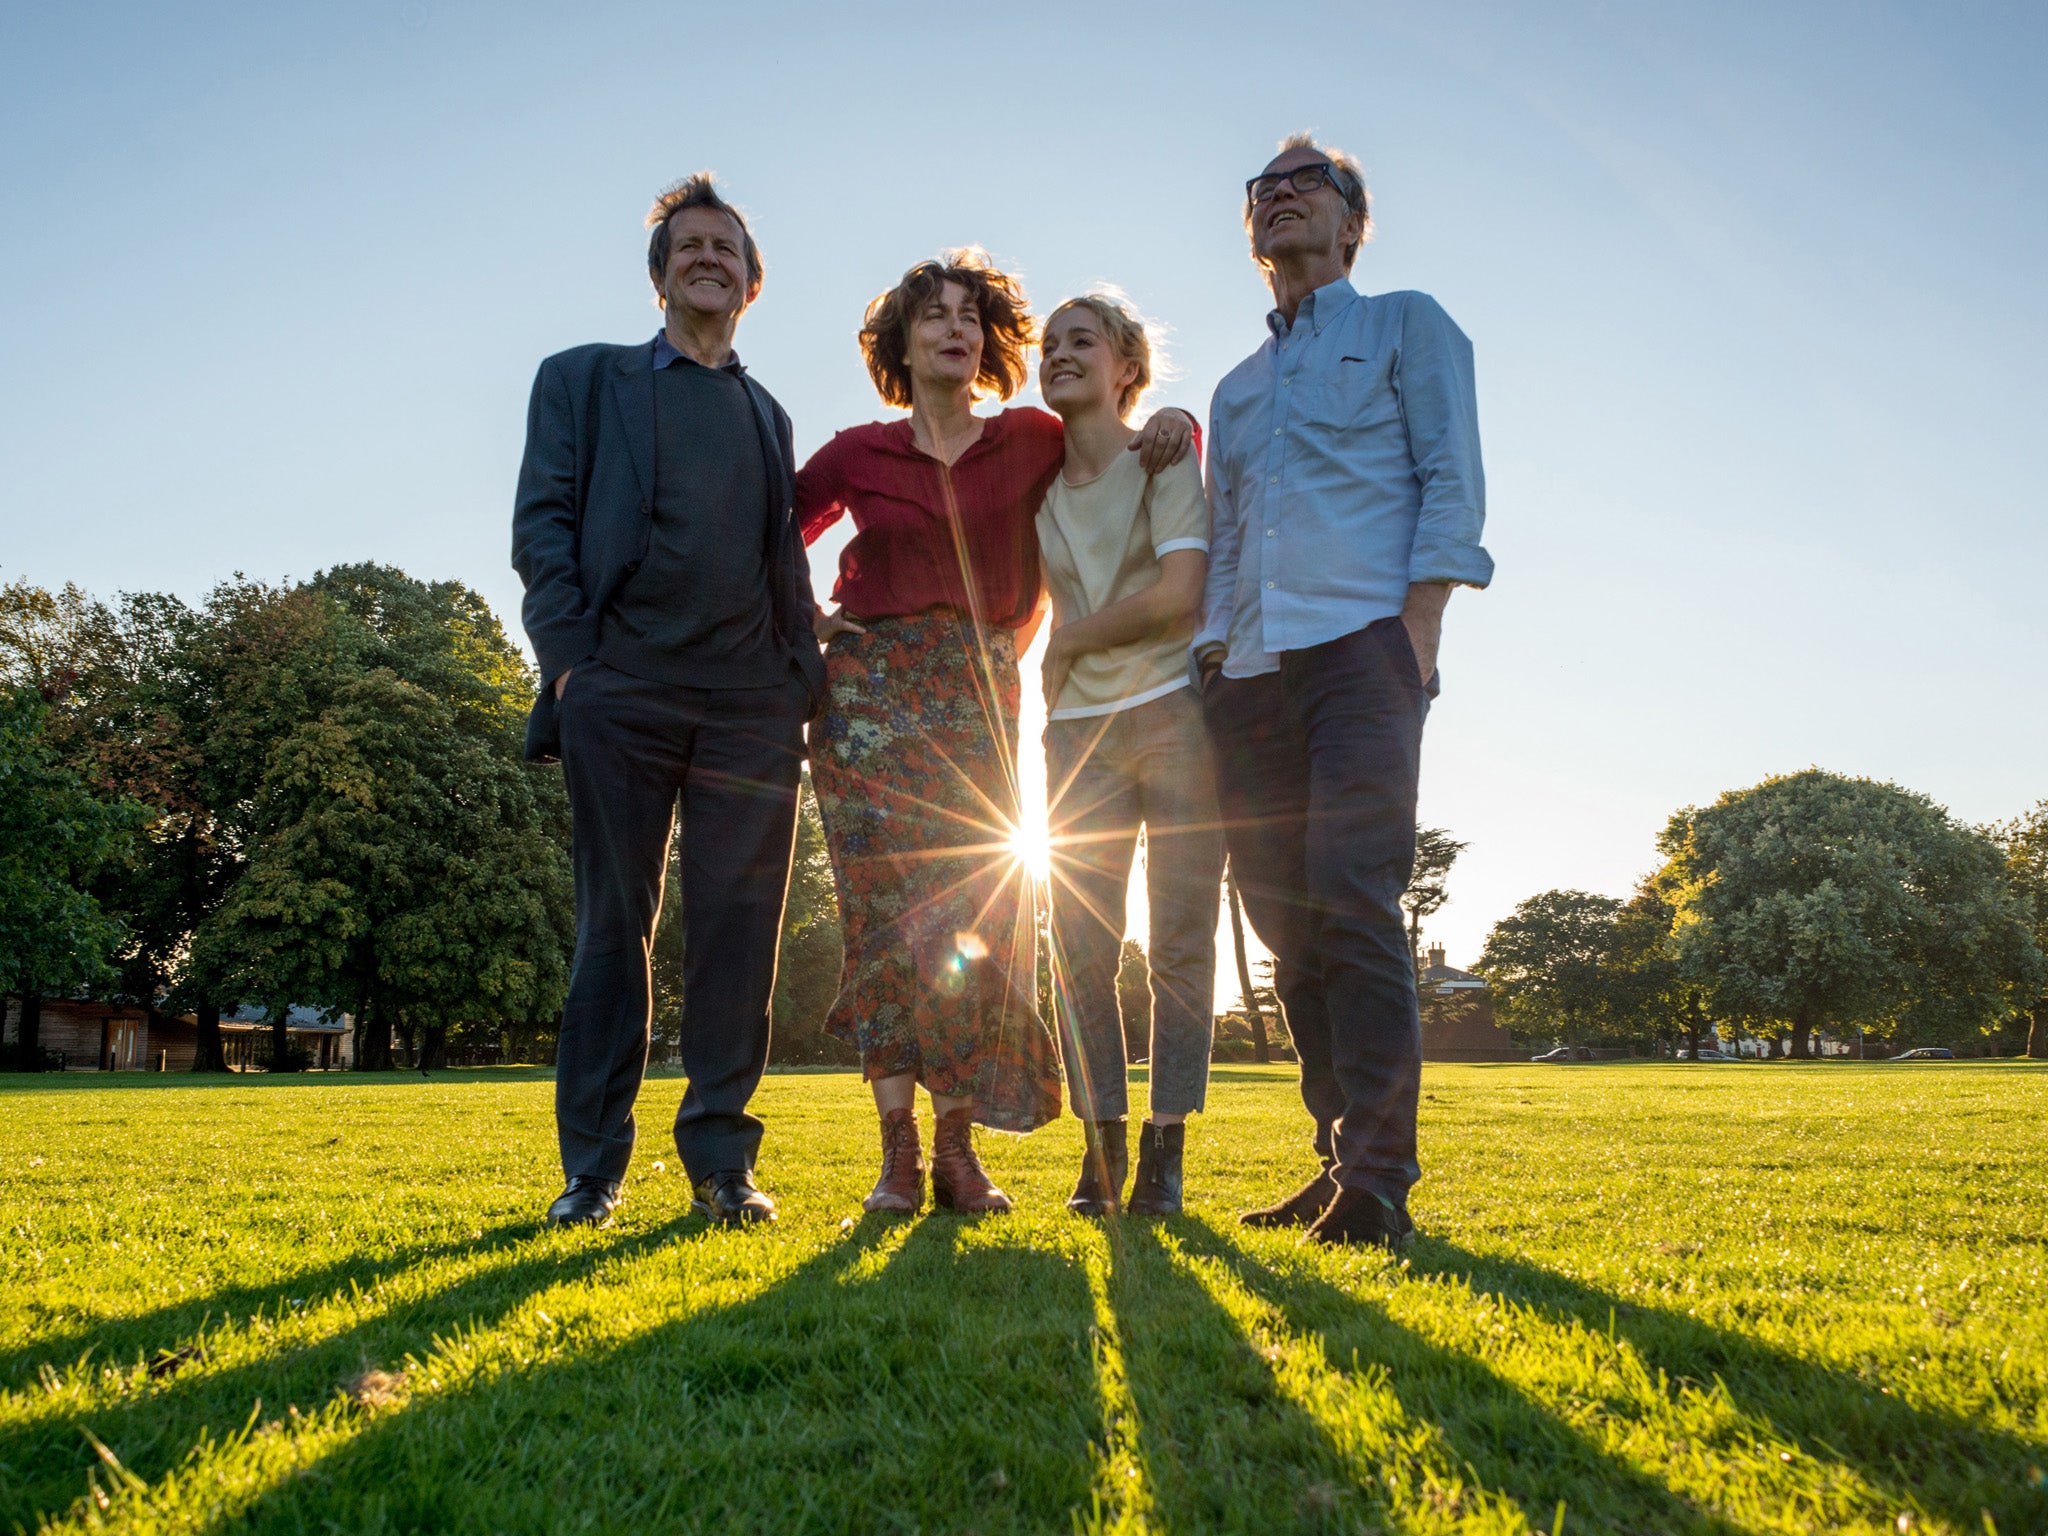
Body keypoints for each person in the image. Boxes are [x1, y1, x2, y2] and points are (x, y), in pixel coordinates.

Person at [796, 251, 1193, 1215]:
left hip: (976, 698)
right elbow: (762, 529)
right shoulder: (857, 452)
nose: (953, 329)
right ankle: (894, 1156)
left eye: (970, 316)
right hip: (866, 706)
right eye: (932, 316)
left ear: (989, 340)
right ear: (900, 339)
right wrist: (810, 616)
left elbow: (1114, 434)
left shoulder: (1026, 438)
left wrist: (1173, 422)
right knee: (883, 928)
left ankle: (956, 1153)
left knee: (971, 922)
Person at [511, 174, 827, 1229]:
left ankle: (722, 1170)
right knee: (615, 928)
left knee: (741, 936)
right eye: (687, 246)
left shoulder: (764, 411)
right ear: (659, 276)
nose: (706, 259)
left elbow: (782, 561)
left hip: (749, 707)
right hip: (620, 692)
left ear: (749, 282)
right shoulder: (584, 382)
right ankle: (592, 1172)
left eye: (724, 249)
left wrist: (801, 683)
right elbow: (542, 527)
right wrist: (571, 672)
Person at [1195, 134, 1493, 1249]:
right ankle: (1333, 1159)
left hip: (1362, 647)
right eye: (1260, 189)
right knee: (1283, 924)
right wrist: (1212, 656)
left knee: (1352, 896)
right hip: (1250, 673)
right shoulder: (1236, 388)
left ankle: (1377, 1182)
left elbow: (1449, 476)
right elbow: (1223, 542)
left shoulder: (1405, 324)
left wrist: (1417, 632)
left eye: (1302, 184)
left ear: (1350, 221)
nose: (1277, 197)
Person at [1035, 293, 1222, 1217]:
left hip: (1175, 721)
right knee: (1078, 948)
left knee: (1180, 943)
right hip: (1077, 738)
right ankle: (1099, 1146)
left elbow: (1181, 592)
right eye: (1050, 344)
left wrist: (1070, 642)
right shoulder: (1035, 487)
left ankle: (1167, 1149)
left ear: (1126, 369)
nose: (1061, 353)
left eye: (1084, 342)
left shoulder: (1164, 457)